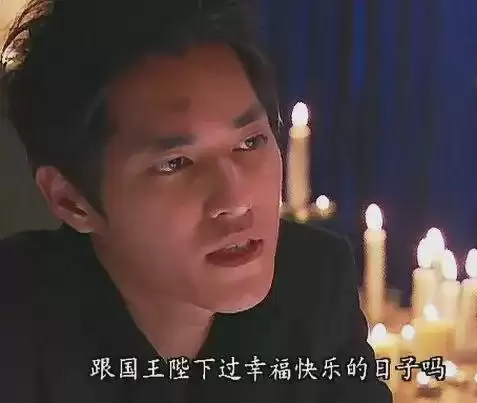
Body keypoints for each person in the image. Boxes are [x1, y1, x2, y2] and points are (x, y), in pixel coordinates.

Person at [0, 0, 393, 402]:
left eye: (250, 142)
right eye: (175, 163)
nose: (236, 200)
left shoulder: (314, 286)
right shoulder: (16, 331)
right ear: (72, 200)